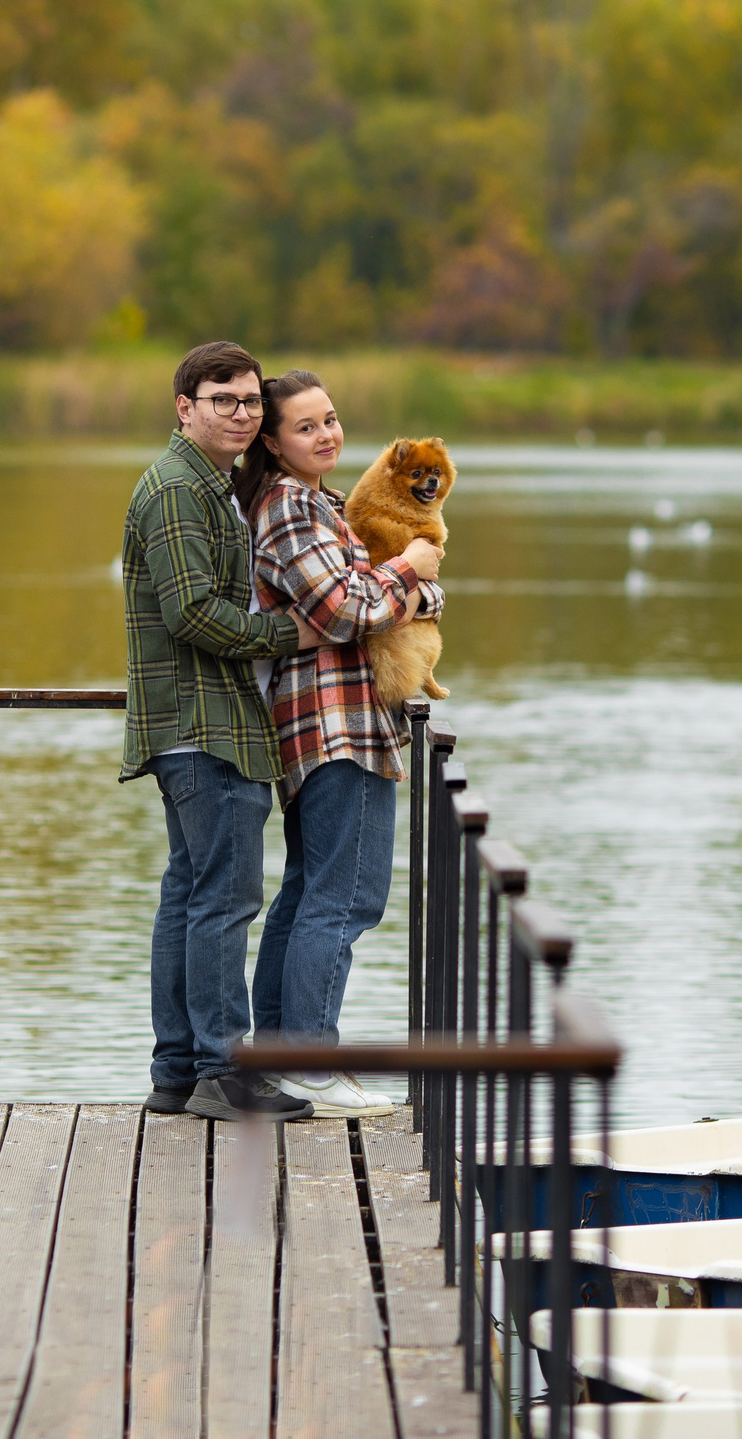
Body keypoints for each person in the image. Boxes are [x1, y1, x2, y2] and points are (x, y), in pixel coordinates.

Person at [121, 342, 328, 1122]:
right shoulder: (178, 489)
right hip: (203, 726)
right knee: (224, 902)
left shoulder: (210, 486)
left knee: (191, 895)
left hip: (205, 724)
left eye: (249, 401)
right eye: (223, 399)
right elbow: (192, 613)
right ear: (186, 407)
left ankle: (177, 1071)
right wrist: (289, 638)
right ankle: (223, 1071)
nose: (241, 413)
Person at [236, 371, 443, 1117]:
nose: (327, 435)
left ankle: (281, 1059)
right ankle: (314, 1066)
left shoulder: (320, 501)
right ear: (273, 440)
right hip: (335, 722)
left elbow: (402, 597)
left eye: (331, 419)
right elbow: (347, 607)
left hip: (335, 718)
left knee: (307, 894)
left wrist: (412, 586)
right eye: (306, 426)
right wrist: (409, 572)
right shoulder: (291, 507)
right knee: (345, 896)